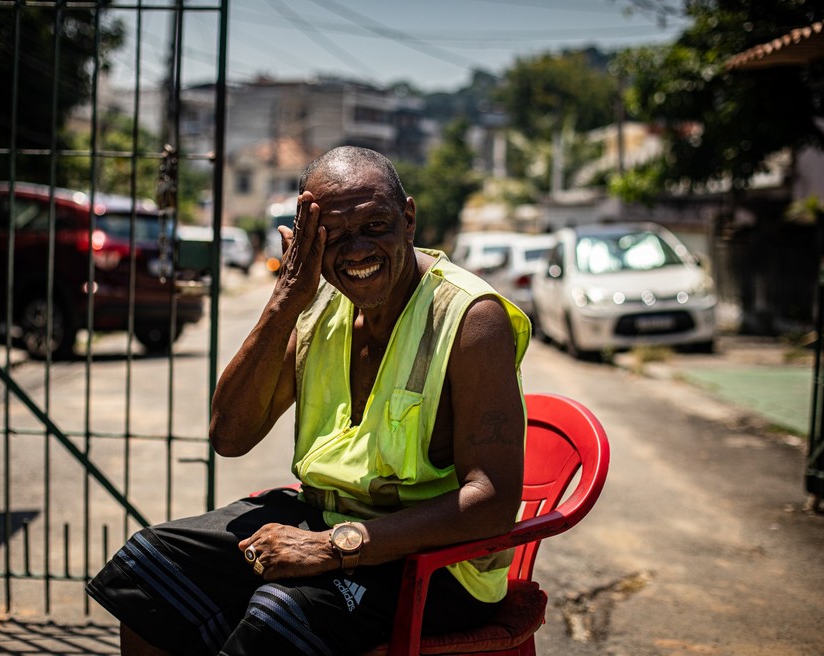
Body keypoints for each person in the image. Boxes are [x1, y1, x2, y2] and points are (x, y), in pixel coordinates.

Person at [87, 146, 531, 655]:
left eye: (375, 226)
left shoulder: (472, 317)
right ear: (307, 241)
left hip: (438, 562)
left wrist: (331, 547)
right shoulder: (318, 310)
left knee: (280, 612)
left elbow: (493, 504)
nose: (357, 251)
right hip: (326, 516)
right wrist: (285, 299)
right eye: (334, 236)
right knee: (153, 565)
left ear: (408, 219)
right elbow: (229, 437)